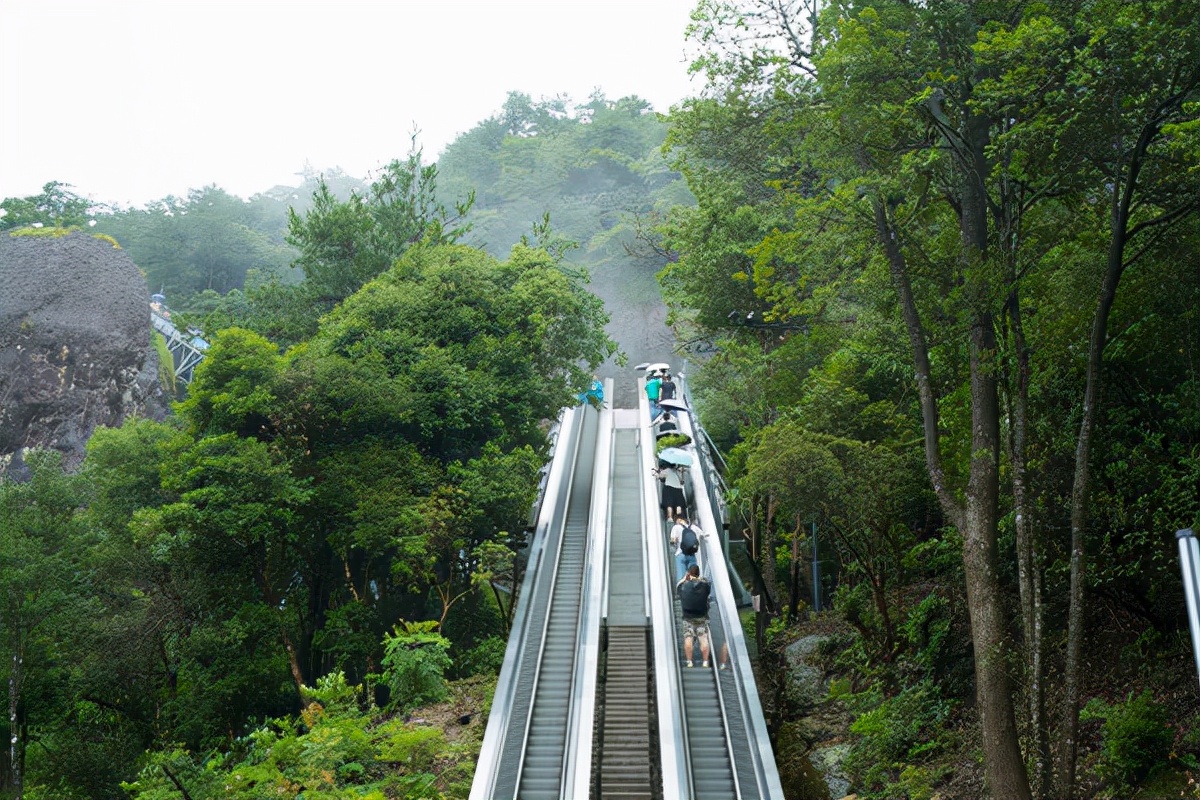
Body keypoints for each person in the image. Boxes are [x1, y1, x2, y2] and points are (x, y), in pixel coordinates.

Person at [677, 564, 712, 667]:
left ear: (689, 573)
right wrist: (700, 579)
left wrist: (684, 578)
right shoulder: (705, 586)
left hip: (688, 618)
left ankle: (689, 662)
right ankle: (705, 661)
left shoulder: (683, 587)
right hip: (702, 617)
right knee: (703, 638)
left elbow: (678, 585)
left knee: (688, 638)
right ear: (698, 573)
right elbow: (708, 585)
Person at [669, 514, 703, 583]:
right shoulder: (693, 527)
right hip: (692, 554)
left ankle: (682, 586)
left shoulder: (676, 527)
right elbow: (703, 534)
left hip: (680, 554)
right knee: (693, 573)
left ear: (677, 520)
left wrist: (673, 542)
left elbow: (673, 540)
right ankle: (694, 584)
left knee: (681, 576)